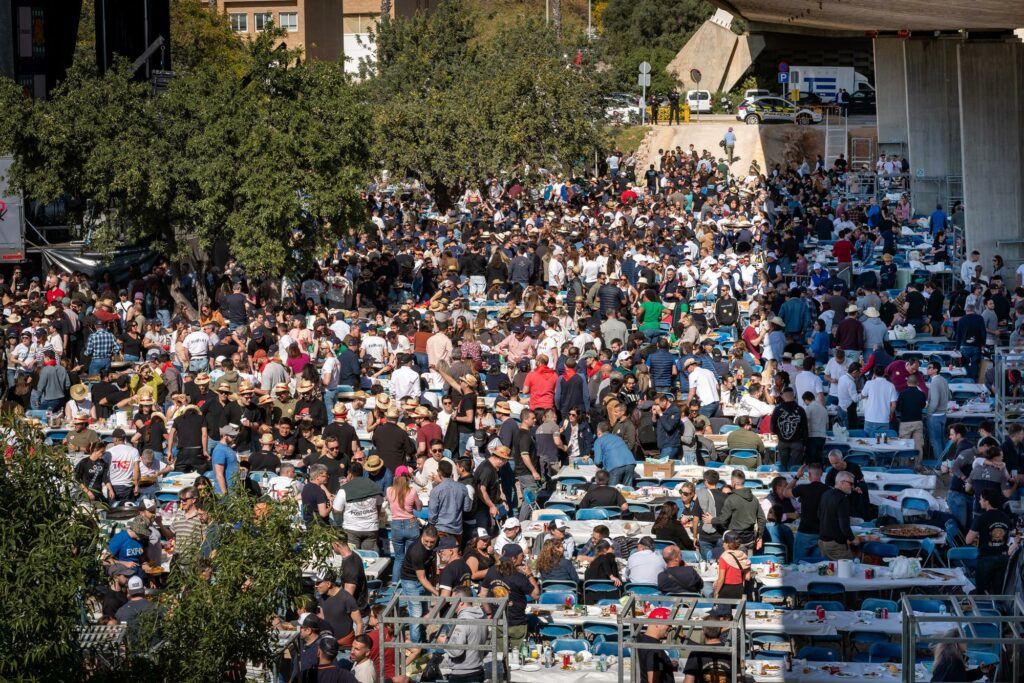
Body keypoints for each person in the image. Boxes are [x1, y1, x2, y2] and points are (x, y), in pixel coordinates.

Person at [478, 543, 539, 651]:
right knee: (518, 656)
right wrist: (529, 574)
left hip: (498, 621)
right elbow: (536, 594)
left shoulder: (491, 571)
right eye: (521, 556)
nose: (523, 558)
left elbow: (482, 595)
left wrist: (489, 613)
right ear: (513, 559)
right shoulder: (519, 577)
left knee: (499, 657)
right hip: (517, 623)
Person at [436, 585, 489, 683]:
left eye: (452, 600)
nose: (450, 603)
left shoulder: (463, 621)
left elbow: (456, 651)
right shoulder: (481, 618)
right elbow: (486, 645)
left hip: (463, 675)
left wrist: (443, 641)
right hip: (477, 671)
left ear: (461, 602)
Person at [965, 488, 1013, 595]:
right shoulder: (1006, 518)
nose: (979, 501)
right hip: (1002, 558)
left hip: (986, 559)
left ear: (987, 501)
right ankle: (996, 606)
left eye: (981, 499)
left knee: (981, 592)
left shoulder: (981, 518)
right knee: (998, 593)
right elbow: (1008, 538)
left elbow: (968, 540)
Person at [705, 470, 765, 554]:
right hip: (750, 539)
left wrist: (711, 520)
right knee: (746, 561)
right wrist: (760, 536)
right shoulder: (754, 499)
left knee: (734, 561)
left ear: (733, 482)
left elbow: (723, 519)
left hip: (735, 541)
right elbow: (762, 519)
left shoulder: (731, 499)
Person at [398, 524, 439, 643]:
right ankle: (416, 645)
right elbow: (422, 578)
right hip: (410, 581)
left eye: (432, 542)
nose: (429, 544)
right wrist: (437, 592)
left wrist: (434, 578)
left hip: (425, 578)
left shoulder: (435, 543)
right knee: (416, 614)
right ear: (422, 536)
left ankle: (422, 638)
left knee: (425, 611)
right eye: (426, 541)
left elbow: (433, 558)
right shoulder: (416, 551)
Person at [785, 463, 828, 560]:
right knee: (818, 565)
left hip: (805, 531)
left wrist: (797, 477)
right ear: (821, 474)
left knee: (798, 563)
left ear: (809, 474)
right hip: (821, 533)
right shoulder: (828, 490)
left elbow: (785, 492)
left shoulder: (803, 488)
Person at [681, 605, 735, 682]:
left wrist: (685, 640)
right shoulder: (732, 650)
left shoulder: (733, 636)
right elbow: (738, 679)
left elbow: (689, 681)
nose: (713, 618)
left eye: (716, 617)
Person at [817, 471, 860, 560]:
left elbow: (819, 515)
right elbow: (844, 525)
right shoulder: (842, 499)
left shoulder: (826, 494)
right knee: (847, 568)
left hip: (823, 542)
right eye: (851, 483)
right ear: (842, 482)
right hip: (836, 545)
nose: (852, 487)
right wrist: (852, 539)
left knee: (830, 568)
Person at [314, 571, 362, 647]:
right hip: (328, 644)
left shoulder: (346, 598)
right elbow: (323, 617)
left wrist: (357, 644)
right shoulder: (322, 598)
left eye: (318, 583)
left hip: (345, 646)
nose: (316, 586)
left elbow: (359, 623)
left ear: (328, 584)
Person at [114, 575, 161, 646]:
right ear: (143, 589)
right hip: (156, 650)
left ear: (128, 591)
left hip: (132, 651)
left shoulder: (120, 612)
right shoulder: (156, 607)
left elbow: (119, 638)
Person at [930, 633, 995, 682]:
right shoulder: (955, 663)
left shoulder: (947, 659)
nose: (967, 641)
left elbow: (960, 677)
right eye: (964, 639)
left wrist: (979, 671)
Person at [770, 386, 807, 470]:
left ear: (783, 396)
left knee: (782, 467)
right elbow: (805, 428)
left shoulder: (777, 409)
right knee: (795, 468)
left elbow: (772, 427)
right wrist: (804, 443)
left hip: (782, 441)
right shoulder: (800, 410)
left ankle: (783, 477)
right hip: (797, 442)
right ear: (793, 395)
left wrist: (778, 434)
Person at [637, 606, 677, 682]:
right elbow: (653, 680)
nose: (671, 627)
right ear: (657, 623)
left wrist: (667, 664)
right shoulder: (654, 649)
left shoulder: (643, 639)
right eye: (669, 624)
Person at [592, 421, 636, 487]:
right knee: (627, 490)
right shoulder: (618, 438)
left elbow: (597, 461)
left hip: (615, 466)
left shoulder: (598, 441)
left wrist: (602, 467)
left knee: (612, 490)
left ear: (599, 431)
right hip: (630, 463)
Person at [713, 531, 750, 599]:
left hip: (726, 589)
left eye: (724, 542)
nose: (723, 544)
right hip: (739, 589)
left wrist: (716, 592)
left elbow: (721, 579)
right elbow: (747, 577)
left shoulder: (724, 557)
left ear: (727, 544)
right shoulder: (743, 555)